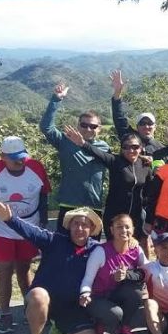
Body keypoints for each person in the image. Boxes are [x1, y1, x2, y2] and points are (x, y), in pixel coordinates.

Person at [0, 201, 99, 334]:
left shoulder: (96, 249)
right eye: (75, 224)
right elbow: (31, 232)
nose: (79, 228)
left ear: (92, 229)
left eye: (84, 225)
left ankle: (59, 325)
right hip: (41, 301)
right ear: (69, 226)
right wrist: (10, 219)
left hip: (70, 306)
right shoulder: (54, 241)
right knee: (38, 296)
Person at [0, 136, 51, 333]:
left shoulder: (36, 167)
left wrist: (43, 221)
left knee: (24, 269)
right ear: (2, 157)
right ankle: (5, 314)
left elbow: (43, 194)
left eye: (22, 157)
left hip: (27, 228)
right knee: (5, 269)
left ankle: (28, 308)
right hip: (1, 229)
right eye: (14, 158)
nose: (19, 161)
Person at [39, 83, 109, 235]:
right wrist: (56, 99)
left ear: (99, 128)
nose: (88, 129)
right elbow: (46, 127)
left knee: (91, 251)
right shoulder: (65, 141)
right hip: (68, 204)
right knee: (64, 248)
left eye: (93, 126)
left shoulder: (104, 148)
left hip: (93, 205)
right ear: (78, 125)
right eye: (84, 125)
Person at [65, 127, 152, 243]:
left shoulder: (145, 165)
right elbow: (98, 153)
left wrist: (149, 214)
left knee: (135, 249)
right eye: (126, 147)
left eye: (135, 147)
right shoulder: (115, 161)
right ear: (121, 149)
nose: (131, 150)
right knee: (115, 249)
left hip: (136, 217)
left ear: (141, 148)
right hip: (114, 216)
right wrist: (82, 143)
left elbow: (150, 190)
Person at [79, 214, 147, 334]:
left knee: (136, 291)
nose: (123, 230)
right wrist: (85, 293)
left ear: (133, 229)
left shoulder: (136, 249)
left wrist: (128, 274)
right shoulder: (101, 251)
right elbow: (88, 279)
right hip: (98, 297)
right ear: (112, 230)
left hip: (117, 294)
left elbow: (148, 270)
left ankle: (122, 329)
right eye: (119, 227)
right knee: (116, 315)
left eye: (127, 227)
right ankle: (97, 321)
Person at [110, 70, 164, 155]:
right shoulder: (129, 137)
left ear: (155, 127)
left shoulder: (161, 148)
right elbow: (119, 117)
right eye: (142, 123)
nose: (146, 126)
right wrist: (117, 93)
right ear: (137, 126)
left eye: (150, 123)